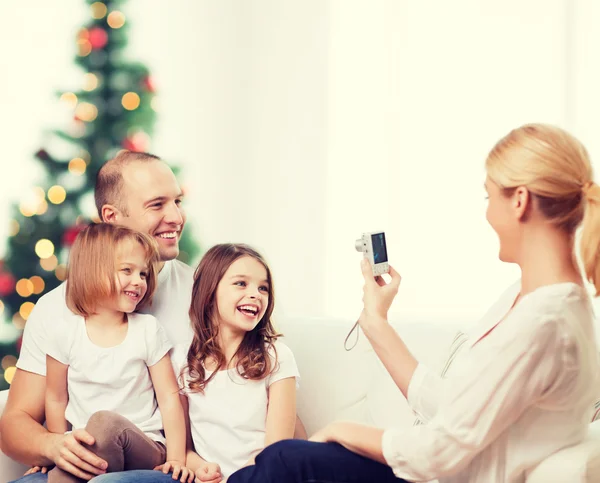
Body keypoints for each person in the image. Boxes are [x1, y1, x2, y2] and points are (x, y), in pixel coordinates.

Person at [226, 123, 600, 483]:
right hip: (442, 470)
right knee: (285, 458)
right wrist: (376, 320)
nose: (488, 213)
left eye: (489, 197)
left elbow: (439, 450)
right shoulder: (533, 300)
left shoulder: (545, 321)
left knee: (287, 459)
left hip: (445, 474)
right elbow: (456, 409)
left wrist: (342, 430)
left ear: (520, 200)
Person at [1, 151, 193, 482]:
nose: (176, 216)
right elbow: (15, 424)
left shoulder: (208, 294)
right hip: (85, 461)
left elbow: (263, 384)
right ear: (112, 216)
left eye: (177, 201)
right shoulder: (55, 310)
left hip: (159, 464)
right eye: (157, 204)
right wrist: (54, 446)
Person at [39, 223, 189, 482]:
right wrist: (60, 451)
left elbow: (169, 399)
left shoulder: (147, 330)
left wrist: (176, 459)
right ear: (92, 272)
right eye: (127, 271)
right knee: (93, 435)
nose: (139, 281)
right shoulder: (64, 334)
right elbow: (55, 399)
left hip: (145, 447)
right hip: (91, 448)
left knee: (104, 423)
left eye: (143, 273)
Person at [172, 243, 299, 483]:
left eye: (263, 288)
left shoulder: (277, 357)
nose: (256, 294)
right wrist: (203, 469)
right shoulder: (182, 360)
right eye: (241, 283)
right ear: (209, 292)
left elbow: (276, 451)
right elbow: (182, 449)